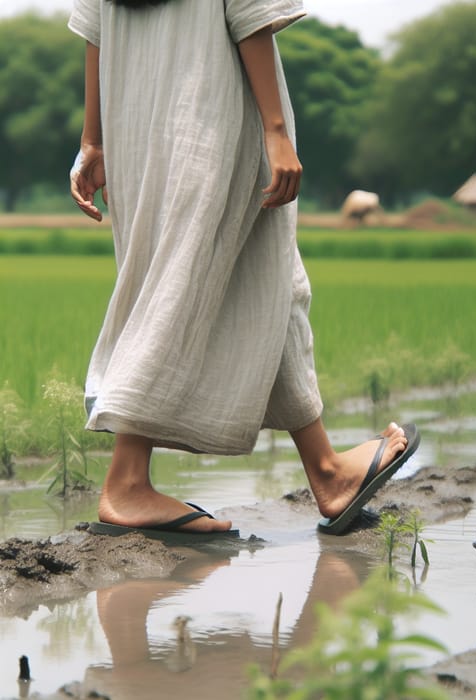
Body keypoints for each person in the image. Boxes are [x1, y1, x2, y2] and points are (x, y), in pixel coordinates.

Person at [68, 0, 419, 536]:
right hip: (214, 114)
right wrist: (276, 131)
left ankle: (327, 472)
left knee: (267, 280)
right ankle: (126, 482)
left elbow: (95, 28)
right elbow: (250, 16)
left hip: (137, 123)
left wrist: (94, 139)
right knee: (177, 281)